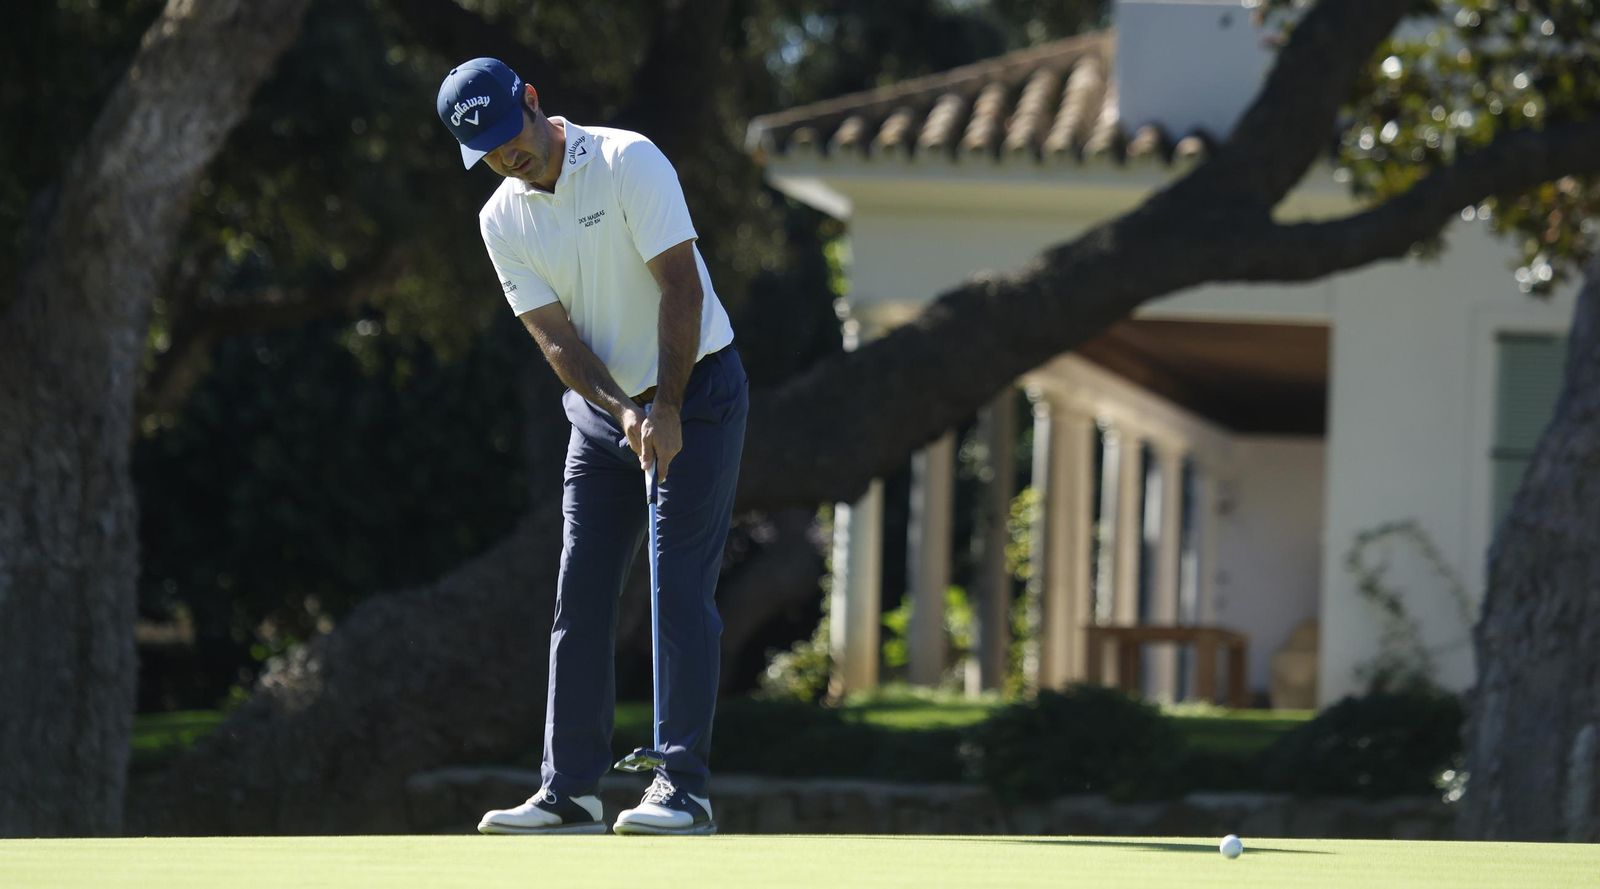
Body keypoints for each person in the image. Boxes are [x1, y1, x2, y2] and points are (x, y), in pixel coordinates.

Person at [436, 58, 747, 836]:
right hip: (602, 413)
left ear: (532, 101)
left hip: (698, 392)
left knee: (677, 586)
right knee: (580, 593)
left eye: (510, 135)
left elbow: (682, 287)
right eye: (487, 150)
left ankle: (683, 787)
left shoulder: (625, 160)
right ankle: (570, 790)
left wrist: (664, 406)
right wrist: (622, 410)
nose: (507, 155)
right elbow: (555, 338)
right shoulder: (500, 220)